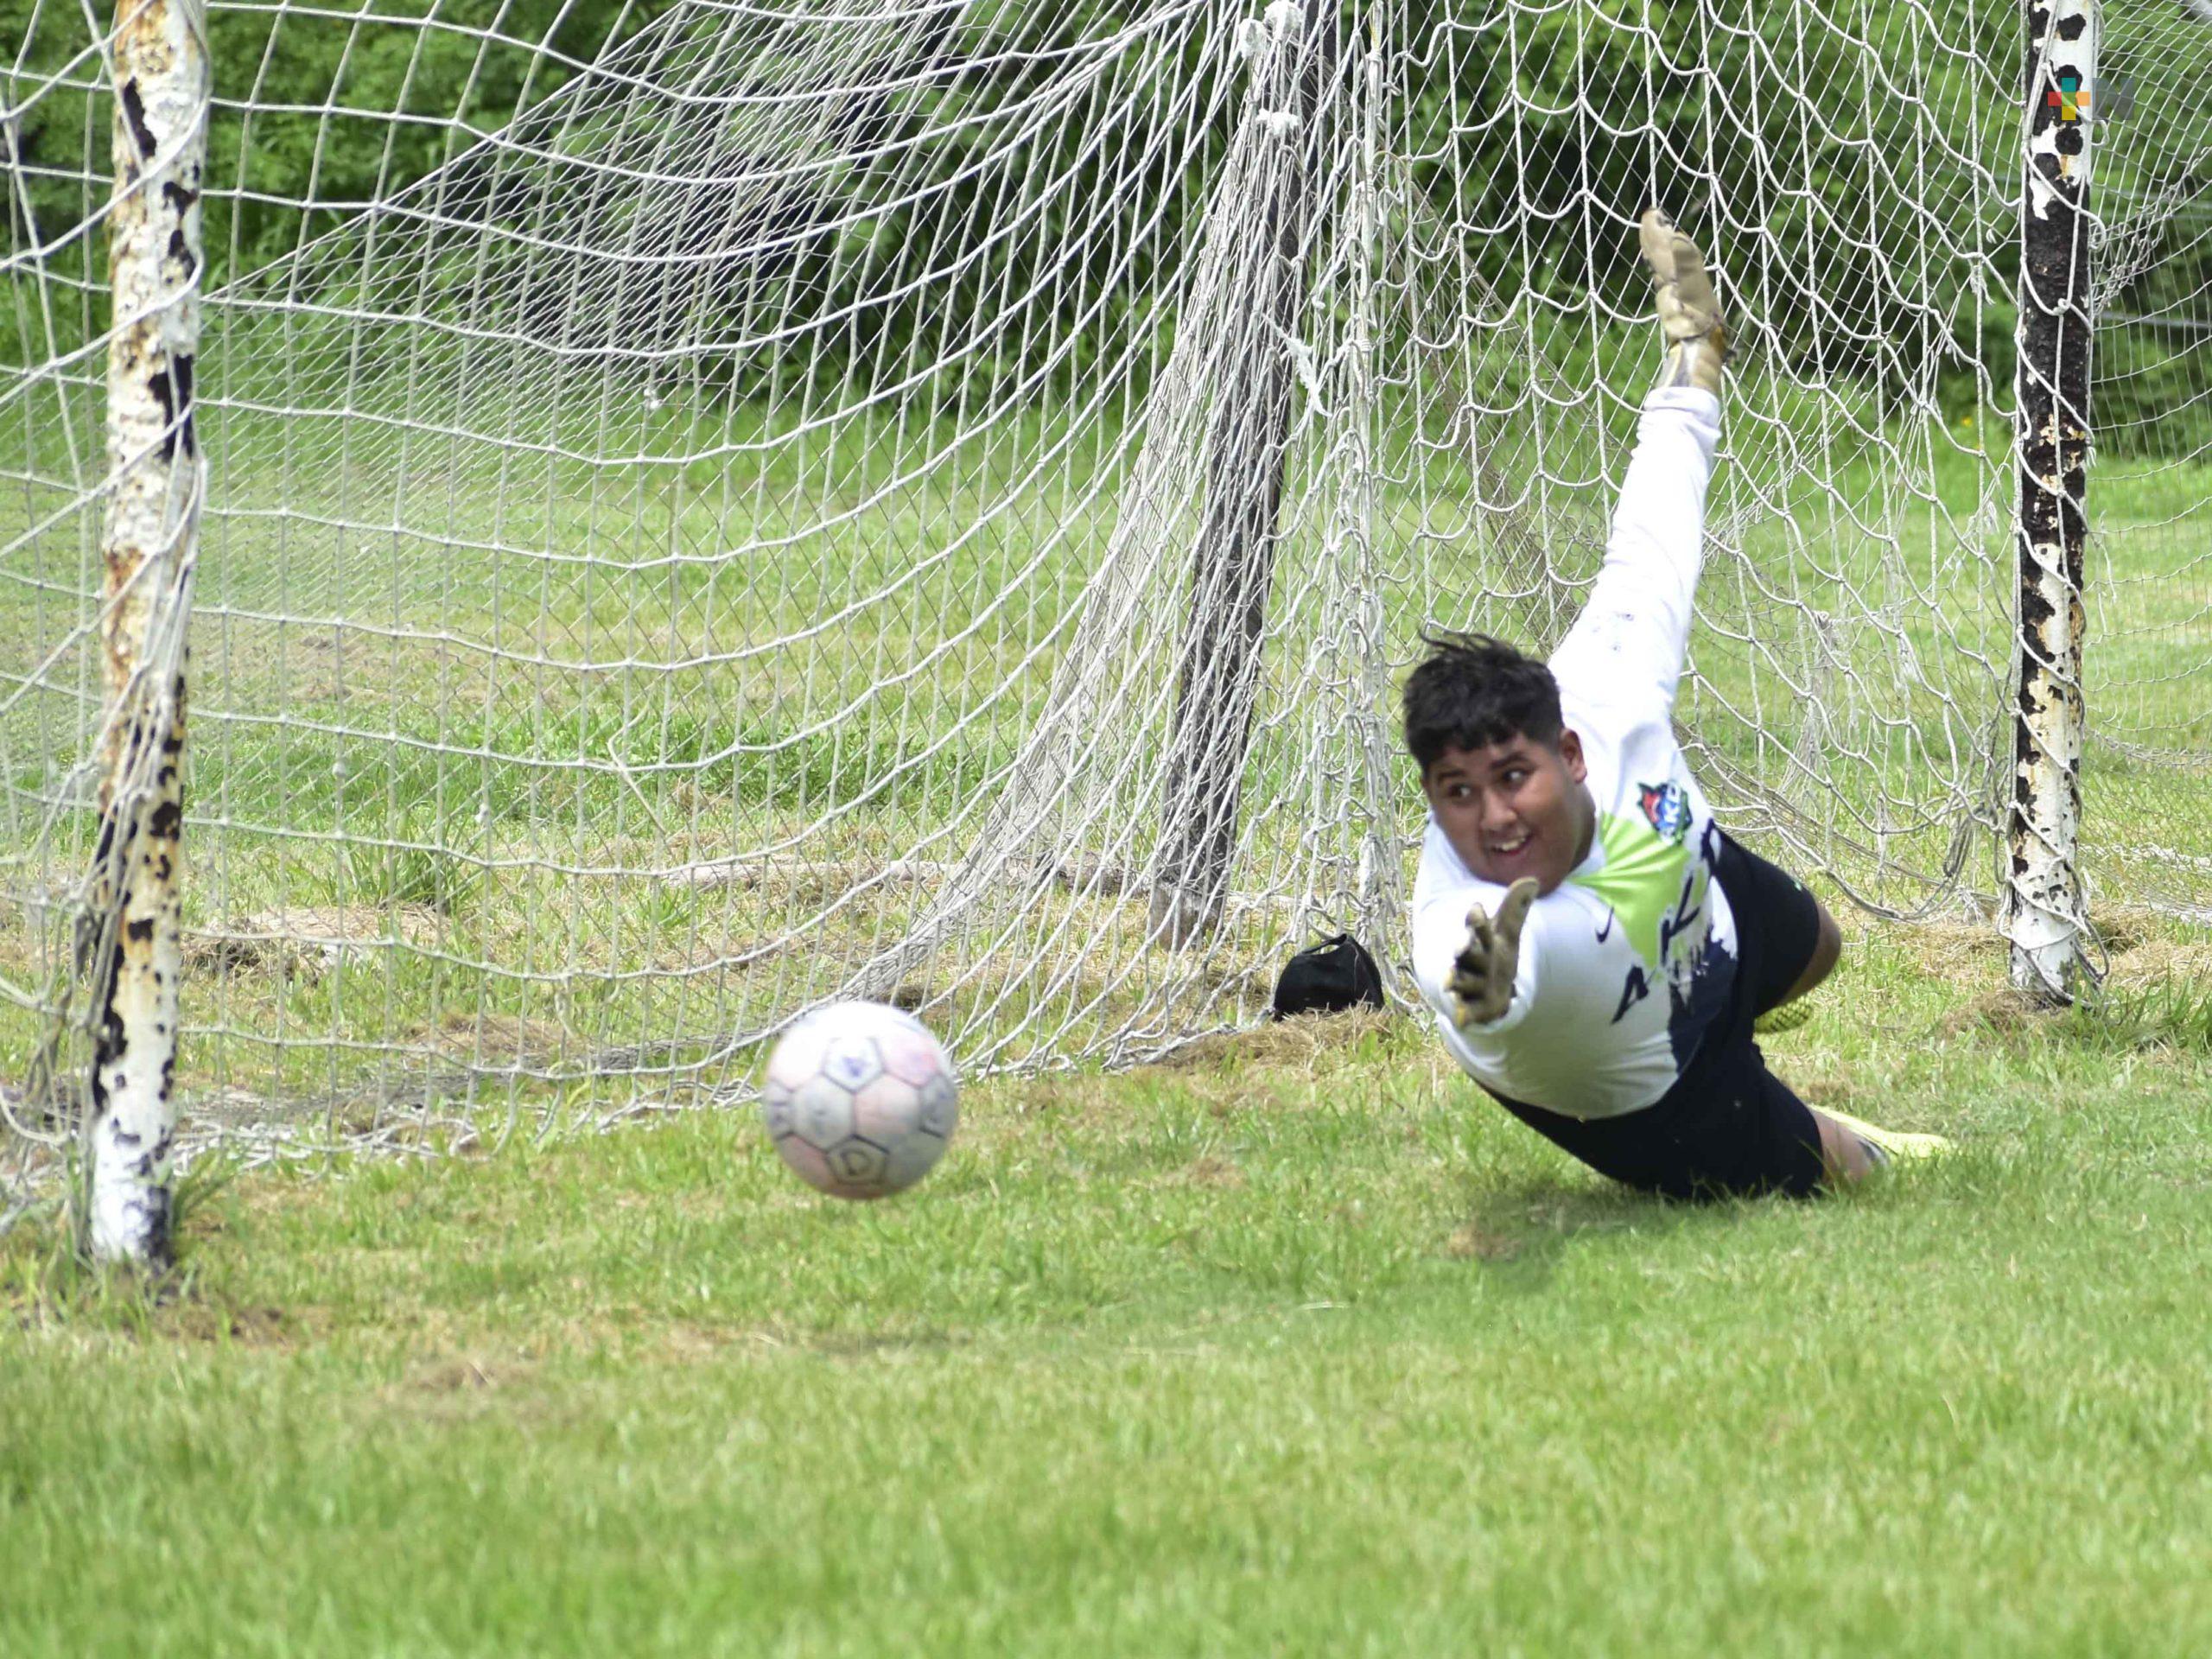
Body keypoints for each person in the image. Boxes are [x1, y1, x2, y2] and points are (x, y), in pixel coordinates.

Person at [1405, 210, 1945, 1199]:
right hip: (1650, 1083)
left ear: (1569, 749)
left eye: (1511, 776)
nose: (1490, 817)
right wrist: (1479, 991)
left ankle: (1750, 1001)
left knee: (1820, 942)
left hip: (1701, 911)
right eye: (1456, 792)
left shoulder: (1609, 686)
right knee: (1855, 1174)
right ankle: (1814, 1123)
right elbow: (1487, 974)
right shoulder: (1474, 917)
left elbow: (1653, 530)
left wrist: (1695, 356)